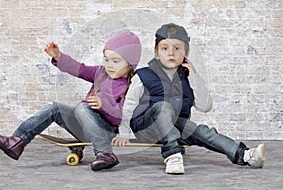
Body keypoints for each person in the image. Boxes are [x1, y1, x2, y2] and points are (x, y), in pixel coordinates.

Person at [112, 23, 266, 174]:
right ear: (156, 52)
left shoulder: (188, 77)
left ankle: (245, 155)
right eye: (165, 48)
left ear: (186, 52)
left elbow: (205, 107)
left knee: (203, 131)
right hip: (147, 129)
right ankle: (172, 155)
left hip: (176, 128)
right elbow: (129, 105)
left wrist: (194, 76)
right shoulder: (143, 75)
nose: (171, 53)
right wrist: (124, 132)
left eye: (177, 48)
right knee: (163, 106)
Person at [0, 31, 142, 171]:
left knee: (83, 107)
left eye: (115, 61)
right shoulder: (100, 72)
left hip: (106, 131)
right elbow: (79, 68)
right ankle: (17, 141)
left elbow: (121, 117)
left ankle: (105, 153)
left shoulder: (131, 84)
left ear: (130, 64)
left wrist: (104, 106)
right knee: (54, 108)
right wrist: (58, 56)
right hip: (83, 126)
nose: (109, 65)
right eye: (107, 59)